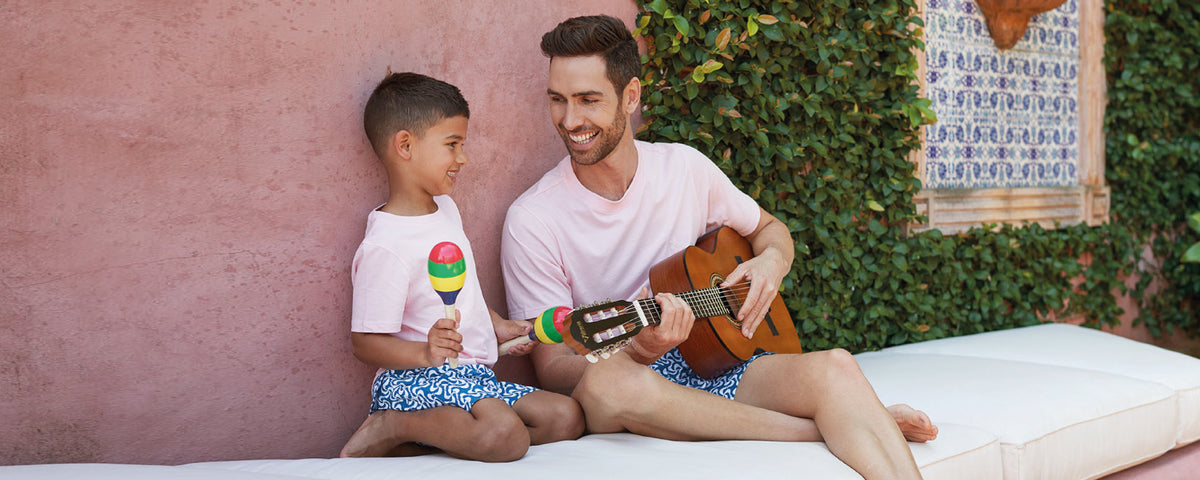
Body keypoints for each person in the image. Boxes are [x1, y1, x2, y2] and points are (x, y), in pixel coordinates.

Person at [500, 15, 936, 479]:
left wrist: (770, 263)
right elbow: (553, 369)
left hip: (712, 360)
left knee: (836, 367)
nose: (570, 120)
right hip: (630, 382)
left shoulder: (685, 169)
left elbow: (772, 230)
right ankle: (829, 427)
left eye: (588, 100)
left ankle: (855, 428)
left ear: (630, 96)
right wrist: (639, 351)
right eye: (557, 100)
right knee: (611, 381)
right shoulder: (533, 219)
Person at [339, 72, 584, 462]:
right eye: (452, 145)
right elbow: (364, 343)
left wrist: (499, 326)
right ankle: (392, 425)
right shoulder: (386, 245)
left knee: (565, 417)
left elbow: (460, 294)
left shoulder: (446, 210)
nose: (463, 157)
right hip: (415, 380)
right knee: (505, 435)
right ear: (405, 145)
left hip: (471, 378)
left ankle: (432, 439)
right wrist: (426, 352)